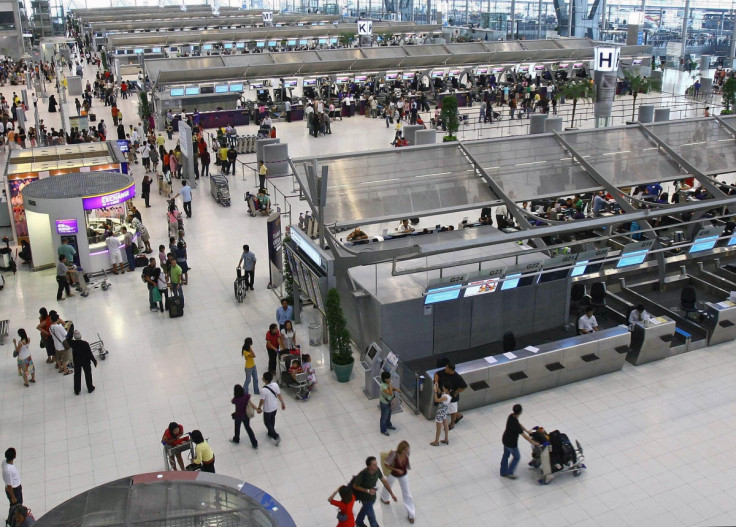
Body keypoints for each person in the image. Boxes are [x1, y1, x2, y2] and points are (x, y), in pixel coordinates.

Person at [352, 456, 397, 527]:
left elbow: (384, 481)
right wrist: (367, 491)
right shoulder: (363, 474)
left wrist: (392, 494)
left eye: (376, 464)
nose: (377, 466)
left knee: (365, 509)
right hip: (365, 498)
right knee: (372, 518)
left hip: (372, 497)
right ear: (369, 467)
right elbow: (355, 486)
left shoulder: (377, 471)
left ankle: (359, 521)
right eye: (374, 465)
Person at [500, 404, 540, 479]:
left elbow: (519, 424)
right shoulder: (516, 425)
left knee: (506, 455)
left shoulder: (511, 416)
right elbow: (524, 436)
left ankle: (503, 471)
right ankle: (510, 472)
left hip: (505, 439)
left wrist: (527, 430)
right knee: (517, 457)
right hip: (512, 443)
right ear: (520, 412)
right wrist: (533, 442)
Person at [380, 441, 415, 524]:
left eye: (407, 450)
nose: (407, 451)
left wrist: (400, 470)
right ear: (401, 449)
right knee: (387, 486)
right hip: (394, 474)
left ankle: (411, 515)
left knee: (407, 493)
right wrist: (396, 469)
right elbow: (386, 464)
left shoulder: (407, 453)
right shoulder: (394, 454)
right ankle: (384, 497)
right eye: (405, 450)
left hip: (403, 474)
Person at [433, 359, 467, 430]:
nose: (445, 368)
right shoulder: (444, 372)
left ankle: (452, 424)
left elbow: (464, 386)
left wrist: (457, 391)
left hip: (452, 397)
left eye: (447, 367)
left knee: (452, 411)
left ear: (450, 369)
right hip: (445, 394)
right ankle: (458, 415)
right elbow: (436, 374)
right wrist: (436, 382)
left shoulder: (457, 377)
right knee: (450, 409)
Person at [258, 372, 286, 446]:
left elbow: (262, 401)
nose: (262, 378)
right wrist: (282, 403)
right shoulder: (275, 385)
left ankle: (276, 436)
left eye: (263, 377)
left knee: (267, 423)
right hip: (274, 407)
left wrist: (259, 407)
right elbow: (279, 395)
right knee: (272, 420)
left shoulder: (263, 390)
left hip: (267, 409)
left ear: (265, 380)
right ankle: (270, 432)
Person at [230, 384, 259, 448]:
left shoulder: (235, 399)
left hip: (238, 416)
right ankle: (254, 443)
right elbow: (251, 404)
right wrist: (257, 409)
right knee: (248, 428)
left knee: (237, 428)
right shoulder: (246, 396)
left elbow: (232, 401)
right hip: (246, 415)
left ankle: (236, 439)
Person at [70, 330, 97, 395]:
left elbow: (67, 338)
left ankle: (77, 390)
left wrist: (71, 332)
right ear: (81, 336)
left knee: (77, 375)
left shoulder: (72, 343)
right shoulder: (85, 343)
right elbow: (89, 354)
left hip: (77, 362)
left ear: (74, 337)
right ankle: (90, 388)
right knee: (88, 374)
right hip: (86, 361)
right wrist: (94, 360)